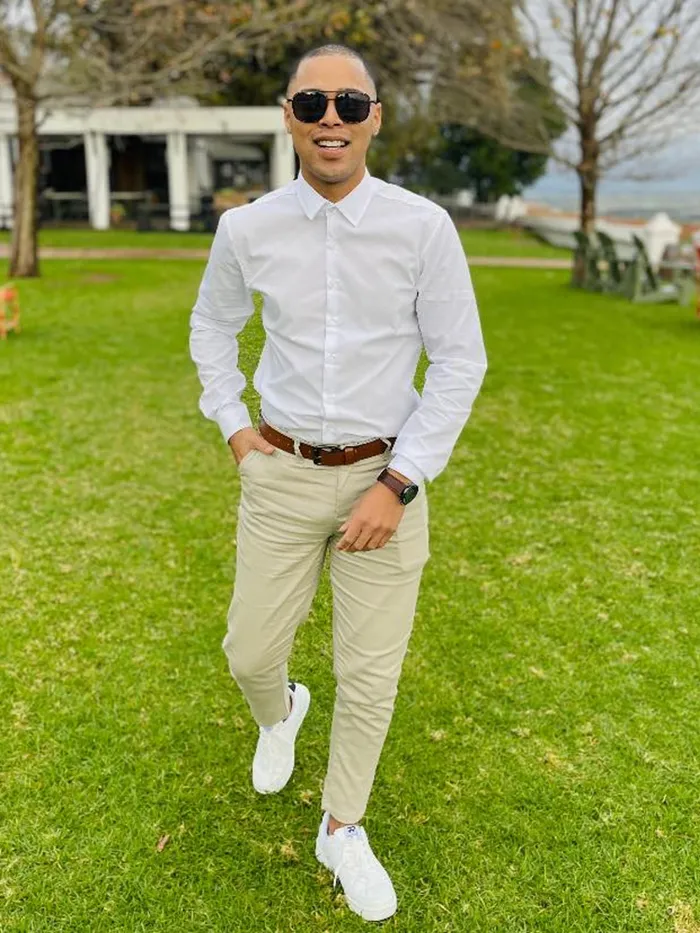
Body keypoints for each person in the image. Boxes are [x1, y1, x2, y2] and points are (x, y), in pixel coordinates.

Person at [189, 43, 487, 923]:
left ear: (374, 119)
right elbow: (212, 326)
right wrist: (234, 425)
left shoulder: (422, 228)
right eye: (312, 103)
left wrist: (399, 482)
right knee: (248, 651)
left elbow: (461, 361)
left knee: (370, 675)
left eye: (350, 105)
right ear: (288, 116)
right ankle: (280, 710)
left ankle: (341, 825)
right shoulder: (247, 229)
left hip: (383, 478)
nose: (331, 118)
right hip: (280, 470)